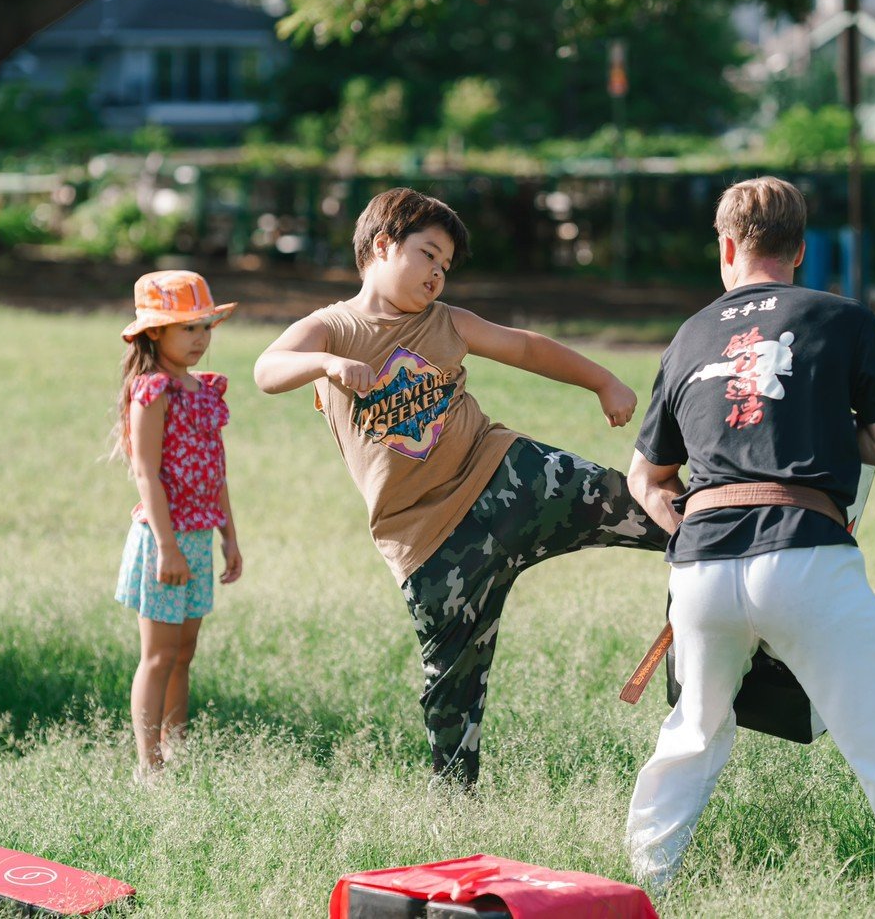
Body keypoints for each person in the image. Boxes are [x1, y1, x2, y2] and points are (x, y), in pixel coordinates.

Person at [622, 177, 875, 907]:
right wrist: (817, 430)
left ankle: (641, 889)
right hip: (802, 557)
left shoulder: (691, 333)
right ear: (801, 250)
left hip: (699, 573)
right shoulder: (842, 318)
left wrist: (688, 527)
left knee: (693, 733)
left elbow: (645, 475)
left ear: (726, 248)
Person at [254, 187, 668, 787]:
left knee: (628, 503)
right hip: (424, 539)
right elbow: (268, 370)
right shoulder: (332, 328)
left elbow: (525, 348)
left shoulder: (446, 322)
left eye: (446, 266)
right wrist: (324, 365)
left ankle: (738, 530)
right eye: (428, 255)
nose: (437, 275)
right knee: (451, 686)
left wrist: (603, 381)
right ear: (381, 246)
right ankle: (454, 807)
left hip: (500, 477)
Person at [112, 270, 243, 778]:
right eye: (187, 328)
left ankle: (177, 742)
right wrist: (167, 546)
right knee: (159, 654)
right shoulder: (153, 390)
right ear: (154, 334)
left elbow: (217, 471)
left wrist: (230, 536)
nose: (200, 338)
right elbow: (146, 471)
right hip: (163, 540)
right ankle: (149, 762)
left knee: (184, 651)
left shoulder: (206, 391)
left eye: (205, 327)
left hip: (198, 537)